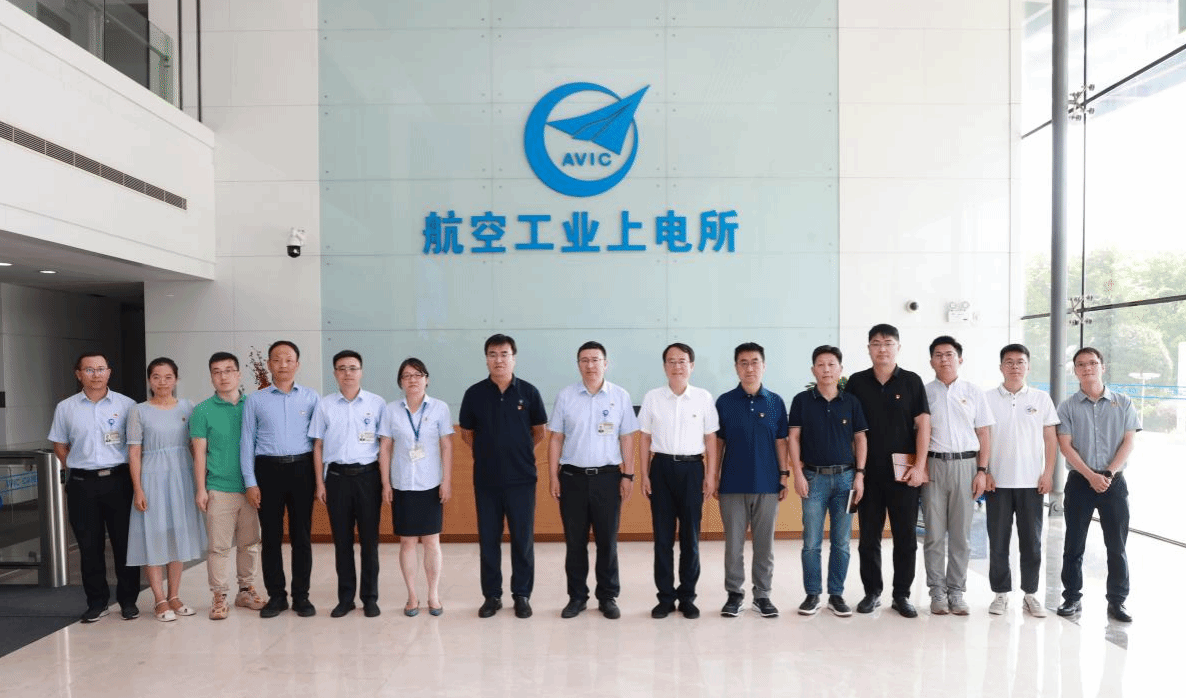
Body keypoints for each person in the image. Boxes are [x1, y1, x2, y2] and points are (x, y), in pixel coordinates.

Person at [547, 341, 639, 620]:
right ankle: (577, 597)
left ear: (605, 364)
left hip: (608, 479)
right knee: (575, 542)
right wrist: (553, 476)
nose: (590, 365)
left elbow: (627, 438)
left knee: (607, 542)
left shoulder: (620, 396)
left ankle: (608, 597)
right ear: (578, 365)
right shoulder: (566, 396)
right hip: (572, 478)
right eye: (584, 360)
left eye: (595, 360)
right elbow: (556, 438)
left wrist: (628, 474)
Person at [458, 334, 548, 619]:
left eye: (504, 354)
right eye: (493, 354)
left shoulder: (529, 392)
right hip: (486, 480)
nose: (499, 360)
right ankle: (492, 596)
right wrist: (488, 453)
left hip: (522, 479)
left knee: (523, 540)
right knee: (488, 540)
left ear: (514, 358)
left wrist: (519, 452)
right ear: (486, 359)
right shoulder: (474, 394)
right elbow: (466, 433)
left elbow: (540, 431)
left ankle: (522, 595)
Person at [845, 324, 931, 618]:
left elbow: (923, 426)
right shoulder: (856, 382)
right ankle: (872, 592)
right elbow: (851, 430)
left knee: (905, 538)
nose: (882, 348)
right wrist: (856, 471)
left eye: (888, 343)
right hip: (868, 475)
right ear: (869, 348)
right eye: (876, 343)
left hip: (904, 475)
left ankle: (901, 595)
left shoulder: (911, 381)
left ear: (898, 347)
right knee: (868, 538)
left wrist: (920, 466)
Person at [49, 352, 140, 622]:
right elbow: (59, 445)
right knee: (89, 546)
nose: (96, 374)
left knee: (125, 544)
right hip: (82, 485)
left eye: (101, 369)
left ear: (109, 372)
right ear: (79, 374)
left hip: (119, 481)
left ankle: (128, 601)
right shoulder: (66, 407)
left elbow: (136, 446)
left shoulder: (127, 405)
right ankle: (97, 602)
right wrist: (78, 466)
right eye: (89, 370)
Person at [1056, 347, 1140, 622]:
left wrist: (1108, 473)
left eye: (1092, 363)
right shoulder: (1067, 406)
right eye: (1081, 364)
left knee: (1116, 546)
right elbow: (1065, 446)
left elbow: (1129, 441)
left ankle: (1117, 601)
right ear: (1075, 371)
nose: (1087, 368)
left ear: (1102, 367)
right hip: (1080, 482)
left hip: (1114, 483)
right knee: (1074, 544)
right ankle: (1071, 597)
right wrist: (1091, 476)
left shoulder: (1123, 402)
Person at [639, 342, 720, 619]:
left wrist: (710, 475)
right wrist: (644, 474)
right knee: (662, 539)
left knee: (690, 538)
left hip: (692, 470)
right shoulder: (653, 397)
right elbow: (645, 438)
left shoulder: (703, 397)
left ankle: (687, 597)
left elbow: (711, 439)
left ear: (691, 366)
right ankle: (665, 598)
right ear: (665, 366)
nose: (677, 366)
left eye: (682, 361)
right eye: (671, 361)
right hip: (661, 468)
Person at [240, 340, 319, 618]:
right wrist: (250, 482)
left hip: (302, 470)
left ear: (297, 364)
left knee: (302, 537)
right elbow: (246, 442)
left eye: (288, 359)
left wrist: (319, 480)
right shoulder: (255, 400)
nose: (283, 365)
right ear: (269, 364)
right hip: (268, 471)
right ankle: (276, 596)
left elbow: (319, 443)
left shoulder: (311, 398)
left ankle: (301, 597)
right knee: (271, 537)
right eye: (277, 359)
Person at [788, 345, 867, 617]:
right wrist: (798, 474)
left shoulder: (851, 402)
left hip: (846, 480)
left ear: (840, 369)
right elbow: (793, 438)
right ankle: (812, 594)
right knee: (811, 541)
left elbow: (860, 439)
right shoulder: (802, 401)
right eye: (820, 365)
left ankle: (836, 594)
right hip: (813, 479)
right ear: (813, 370)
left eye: (832, 364)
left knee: (842, 541)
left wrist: (859, 475)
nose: (826, 369)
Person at [127, 357, 208, 622]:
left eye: (168, 377)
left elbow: (196, 447)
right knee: (154, 535)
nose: (162, 382)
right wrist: (138, 489)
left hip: (182, 476)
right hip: (152, 478)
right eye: (156, 377)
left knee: (177, 535)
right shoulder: (139, 411)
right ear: (149, 380)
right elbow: (134, 452)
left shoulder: (188, 407)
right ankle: (159, 599)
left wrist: (200, 484)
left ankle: (174, 595)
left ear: (176, 379)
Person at [308, 350, 387, 618]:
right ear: (334, 373)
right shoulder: (325, 405)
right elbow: (318, 446)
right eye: (341, 368)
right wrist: (320, 483)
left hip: (368, 478)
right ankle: (345, 599)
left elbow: (384, 446)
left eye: (353, 368)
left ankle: (370, 598)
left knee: (369, 542)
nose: (347, 373)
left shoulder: (377, 403)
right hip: (337, 479)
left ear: (361, 372)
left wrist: (385, 482)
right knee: (342, 543)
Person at [983, 343, 1058, 617]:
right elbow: (982, 437)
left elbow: (1050, 440)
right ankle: (1000, 594)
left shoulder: (1041, 399)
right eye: (1009, 361)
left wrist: (1048, 473)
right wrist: (984, 470)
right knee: (998, 542)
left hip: (1031, 483)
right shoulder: (987, 398)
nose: (1015, 366)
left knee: (1032, 543)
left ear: (1028, 366)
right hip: (997, 483)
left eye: (1020, 362)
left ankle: (1030, 594)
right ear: (1001, 366)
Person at [190, 351, 266, 621]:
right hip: (219, 488)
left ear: (239, 374)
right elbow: (199, 453)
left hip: (250, 488)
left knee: (250, 543)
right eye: (217, 372)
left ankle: (246, 590)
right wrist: (201, 489)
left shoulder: (253, 405)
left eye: (228, 370)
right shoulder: (202, 411)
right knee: (218, 547)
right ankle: (219, 595)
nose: (223, 376)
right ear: (211, 377)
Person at [715, 342, 788, 618]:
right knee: (733, 545)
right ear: (736, 367)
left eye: (755, 362)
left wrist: (784, 475)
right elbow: (718, 443)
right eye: (743, 363)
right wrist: (713, 477)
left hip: (767, 484)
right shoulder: (724, 402)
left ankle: (763, 595)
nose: (749, 368)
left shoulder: (775, 402)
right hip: (732, 484)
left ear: (764, 366)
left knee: (764, 545)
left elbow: (781, 442)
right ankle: (734, 594)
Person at [922, 336, 993, 616]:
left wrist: (982, 471)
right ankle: (937, 591)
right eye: (938, 355)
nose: (944, 359)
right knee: (933, 534)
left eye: (949, 354)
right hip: (933, 466)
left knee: (961, 535)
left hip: (966, 466)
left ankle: (956, 591)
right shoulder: (924, 393)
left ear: (960, 359)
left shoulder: (974, 392)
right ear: (931, 361)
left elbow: (984, 433)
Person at [378, 358, 454, 617]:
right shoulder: (391, 410)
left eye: (418, 374)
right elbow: (385, 448)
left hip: (431, 484)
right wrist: (386, 483)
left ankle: (433, 594)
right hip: (402, 484)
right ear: (400, 382)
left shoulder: (440, 408)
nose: (412, 379)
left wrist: (446, 480)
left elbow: (446, 446)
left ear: (426, 379)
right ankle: (412, 595)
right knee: (407, 542)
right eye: (407, 375)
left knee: (432, 541)